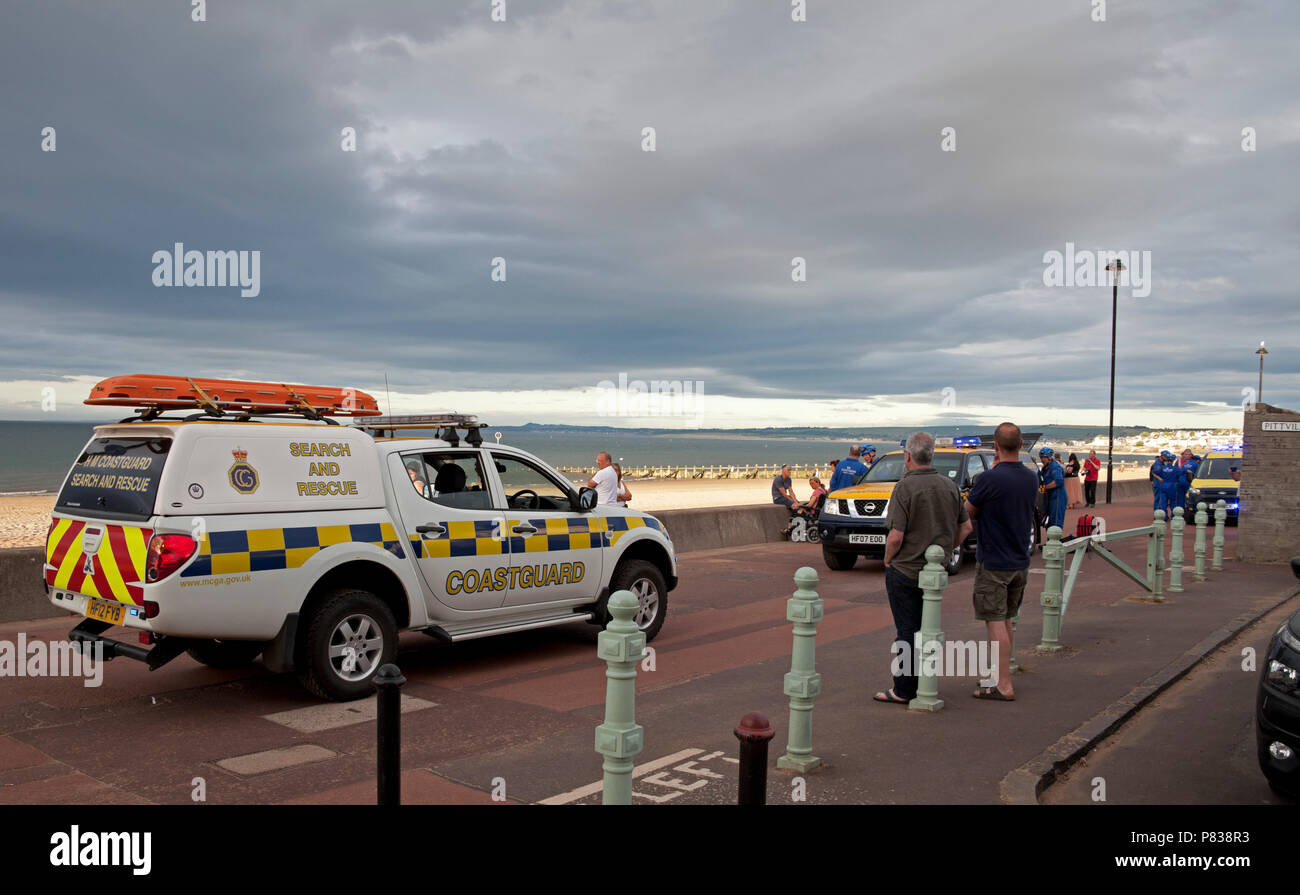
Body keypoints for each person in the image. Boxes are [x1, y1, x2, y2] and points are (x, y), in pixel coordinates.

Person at [873, 432, 972, 706]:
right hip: (935, 572)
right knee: (927, 628)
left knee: (907, 630)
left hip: (905, 568)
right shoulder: (949, 486)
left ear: (907, 457)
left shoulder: (904, 488)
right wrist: (945, 551)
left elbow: (896, 535)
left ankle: (904, 689)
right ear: (932, 456)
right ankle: (925, 684)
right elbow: (966, 527)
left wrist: (887, 559)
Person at [964, 422, 1038, 701]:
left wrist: (991, 474)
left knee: (994, 622)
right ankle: (999, 675)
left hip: (994, 560)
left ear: (995, 446)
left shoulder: (988, 479)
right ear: (1020, 445)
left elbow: (967, 512)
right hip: (1020, 559)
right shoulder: (1031, 478)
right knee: (1006, 619)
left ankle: (1002, 683)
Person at [1038, 447, 1066, 533]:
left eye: (1044, 458)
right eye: (1041, 458)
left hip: (1057, 496)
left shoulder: (1055, 467)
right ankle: (1050, 541)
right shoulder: (1044, 468)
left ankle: (1055, 542)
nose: (1042, 460)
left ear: (1050, 457)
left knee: (1056, 521)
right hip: (1049, 497)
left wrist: (1044, 488)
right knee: (1049, 521)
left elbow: (1058, 481)